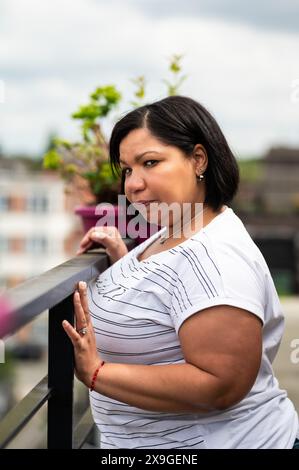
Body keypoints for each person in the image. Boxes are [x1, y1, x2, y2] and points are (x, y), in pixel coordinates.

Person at [63, 96, 299, 449]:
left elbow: (220, 384)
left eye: (150, 162)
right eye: (128, 169)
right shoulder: (177, 228)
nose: (133, 184)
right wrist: (123, 261)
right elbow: (172, 291)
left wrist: (97, 373)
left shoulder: (215, 257)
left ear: (198, 159)